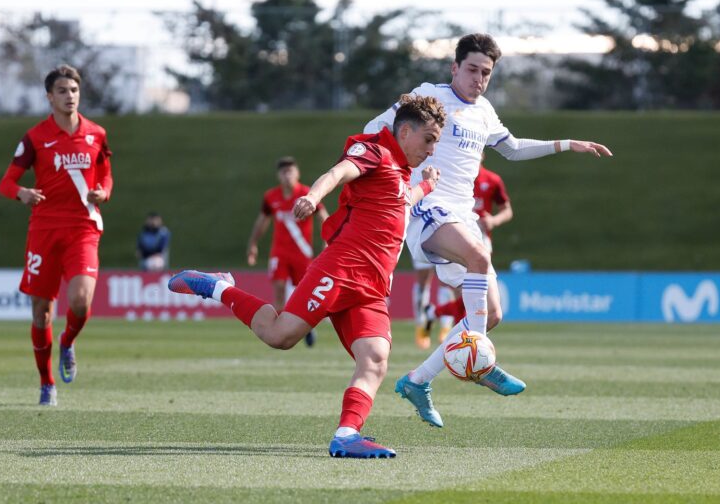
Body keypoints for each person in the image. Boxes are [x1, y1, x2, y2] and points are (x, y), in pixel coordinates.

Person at [168, 94, 445, 458]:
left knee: (376, 358)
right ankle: (218, 287)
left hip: (373, 287)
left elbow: (400, 201)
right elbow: (339, 171)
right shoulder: (375, 151)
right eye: (428, 140)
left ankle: (347, 435)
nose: (431, 149)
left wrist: (426, 186)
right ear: (405, 131)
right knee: (280, 336)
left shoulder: (397, 171)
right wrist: (313, 197)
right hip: (342, 269)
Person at [365, 33, 612, 428]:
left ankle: (417, 380)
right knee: (481, 257)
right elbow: (376, 127)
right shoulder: (430, 96)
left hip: (461, 216)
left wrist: (567, 144)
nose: (479, 78)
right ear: (454, 68)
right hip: (425, 206)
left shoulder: (484, 111)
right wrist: (366, 167)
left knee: (491, 313)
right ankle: (481, 361)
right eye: (472, 69)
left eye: (486, 72)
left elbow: (512, 148)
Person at [0, 64, 114, 406]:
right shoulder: (35, 138)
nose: (70, 96)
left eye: (74, 90)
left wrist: (103, 193)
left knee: (80, 301)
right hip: (44, 231)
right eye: (62, 91)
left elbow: (106, 175)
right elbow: (6, 183)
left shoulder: (96, 134)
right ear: (50, 97)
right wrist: (22, 193)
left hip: (83, 228)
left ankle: (68, 341)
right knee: (41, 313)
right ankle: (47, 383)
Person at [246, 157, 329, 347]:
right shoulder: (271, 197)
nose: (287, 176)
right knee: (279, 292)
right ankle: (278, 332)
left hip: (302, 253)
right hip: (279, 253)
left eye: (291, 171)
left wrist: (327, 240)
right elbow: (262, 221)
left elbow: (323, 215)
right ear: (278, 176)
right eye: (284, 172)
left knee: (305, 294)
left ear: (297, 173)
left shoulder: (307, 194)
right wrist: (253, 243)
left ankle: (306, 327)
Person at [425, 159, 514, 331]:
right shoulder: (453, 176)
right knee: (465, 295)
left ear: (482, 154)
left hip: (481, 240)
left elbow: (507, 210)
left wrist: (494, 221)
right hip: (454, 236)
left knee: (474, 299)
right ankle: (459, 345)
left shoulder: (492, 180)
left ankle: (437, 317)